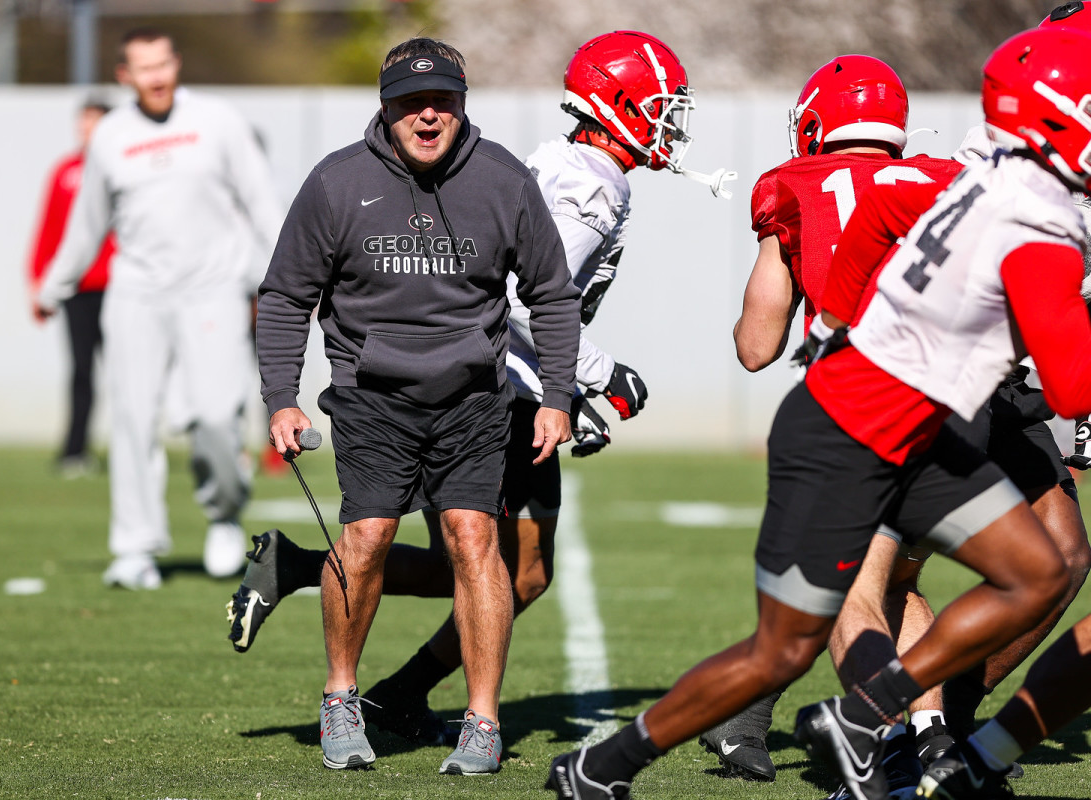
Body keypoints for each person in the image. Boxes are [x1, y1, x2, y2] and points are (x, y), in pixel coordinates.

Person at [547, 23, 1091, 800]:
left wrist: (835, 319)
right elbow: (1071, 387)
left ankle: (873, 716)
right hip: (852, 427)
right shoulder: (1015, 211)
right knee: (783, 649)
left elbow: (856, 234)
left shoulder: (952, 186)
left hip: (922, 422)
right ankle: (601, 766)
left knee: (1038, 572)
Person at [225, 29, 731, 748]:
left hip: (515, 387)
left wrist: (567, 390)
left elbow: (541, 299)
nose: (668, 122)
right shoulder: (581, 180)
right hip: (491, 392)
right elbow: (524, 301)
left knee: (494, 566)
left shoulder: (559, 170)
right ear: (616, 103)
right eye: (656, 105)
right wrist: (588, 377)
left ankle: (389, 675)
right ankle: (363, 647)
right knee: (496, 567)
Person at [254, 37, 580, 775]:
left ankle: (483, 721)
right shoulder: (336, 182)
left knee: (474, 541)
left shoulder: (504, 180)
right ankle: (341, 698)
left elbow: (552, 295)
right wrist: (281, 398)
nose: (426, 117)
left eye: (442, 102)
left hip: (473, 401)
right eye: (410, 103)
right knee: (365, 539)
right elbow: (285, 297)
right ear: (385, 106)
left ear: (463, 106)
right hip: (372, 400)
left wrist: (555, 396)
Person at [717, 55, 965, 791]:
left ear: (818, 119)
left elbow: (756, 346)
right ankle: (933, 738)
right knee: (899, 578)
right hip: (952, 407)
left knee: (842, 584)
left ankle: (875, 740)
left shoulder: (790, 186)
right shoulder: (946, 177)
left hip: (853, 411)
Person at [33, 28, 284, 590]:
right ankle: (135, 547)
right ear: (125, 76)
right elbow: (87, 223)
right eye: (144, 68)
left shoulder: (219, 121)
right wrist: (54, 286)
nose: (157, 76)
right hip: (137, 294)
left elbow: (262, 203)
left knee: (219, 416)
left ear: (175, 65)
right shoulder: (111, 137)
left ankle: (223, 514)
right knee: (133, 418)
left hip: (213, 288)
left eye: (164, 63)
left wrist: (292, 274)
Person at [28, 97, 115, 478]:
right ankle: (74, 450)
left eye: (94, 123)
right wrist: (40, 282)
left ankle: (135, 451)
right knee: (81, 370)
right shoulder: (65, 172)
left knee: (131, 374)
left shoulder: (123, 167)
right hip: (80, 289)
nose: (86, 130)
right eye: (83, 123)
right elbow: (49, 231)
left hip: (122, 289)